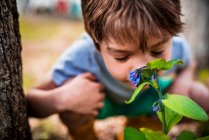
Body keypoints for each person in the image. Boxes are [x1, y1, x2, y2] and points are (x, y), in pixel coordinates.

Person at [27, 0, 209, 140]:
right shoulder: (82, 55)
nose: (142, 69)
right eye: (122, 56)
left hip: (150, 101)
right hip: (99, 102)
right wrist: (62, 99)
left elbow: (188, 62)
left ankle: (142, 128)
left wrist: (182, 85)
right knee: (70, 99)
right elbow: (29, 101)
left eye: (157, 51)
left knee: (202, 97)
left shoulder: (174, 44)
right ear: (97, 44)